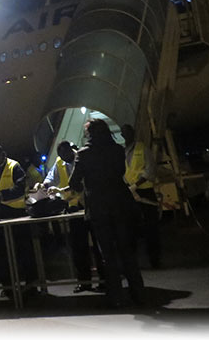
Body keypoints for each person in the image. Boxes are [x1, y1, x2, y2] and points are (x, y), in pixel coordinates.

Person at [68, 119, 145, 307]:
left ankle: (117, 296)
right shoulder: (117, 150)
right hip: (120, 204)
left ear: (89, 134)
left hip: (98, 207)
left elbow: (73, 183)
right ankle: (138, 293)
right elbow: (120, 171)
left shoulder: (83, 154)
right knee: (126, 249)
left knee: (107, 254)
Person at [44, 141, 105, 293]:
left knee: (98, 246)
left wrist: (61, 189)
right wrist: (45, 185)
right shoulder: (60, 163)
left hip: (89, 206)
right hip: (74, 208)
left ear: (71, 151)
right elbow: (50, 178)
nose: (64, 158)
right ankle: (84, 282)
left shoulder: (82, 158)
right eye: (61, 156)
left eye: (65, 155)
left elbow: (82, 183)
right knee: (79, 247)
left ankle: (105, 280)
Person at [0, 143, 37, 297]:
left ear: (2, 154)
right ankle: (8, 286)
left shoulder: (14, 166)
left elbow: (19, 189)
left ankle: (32, 285)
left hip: (17, 212)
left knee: (23, 249)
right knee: (2, 251)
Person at [121, 124, 161, 269]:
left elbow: (150, 170)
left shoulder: (143, 149)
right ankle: (134, 263)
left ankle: (155, 260)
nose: (126, 135)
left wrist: (136, 185)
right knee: (130, 228)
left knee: (151, 227)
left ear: (133, 133)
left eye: (128, 132)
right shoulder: (122, 152)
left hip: (145, 192)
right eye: (124, 132)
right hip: (129, 194)